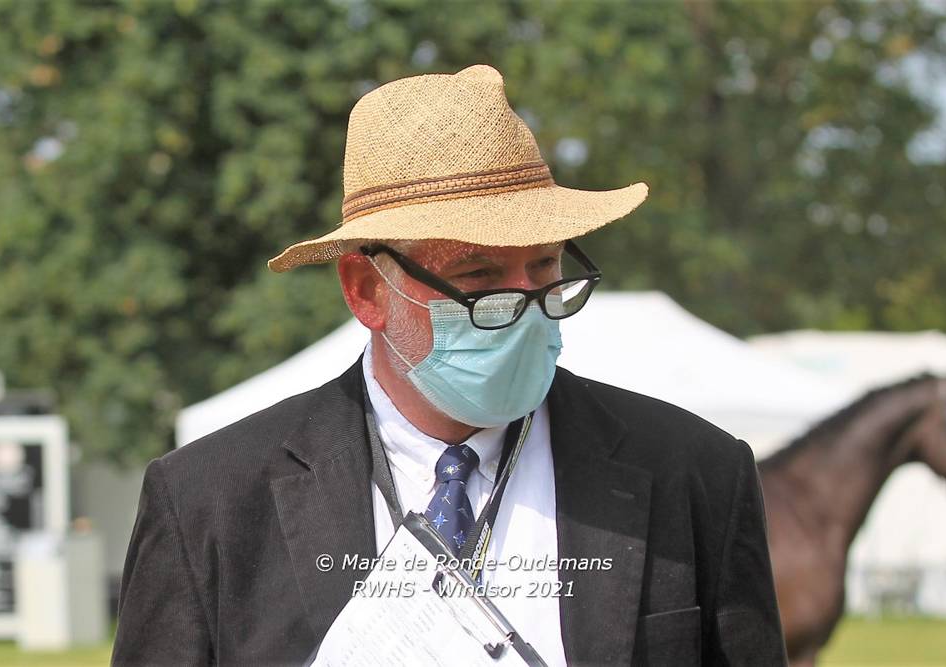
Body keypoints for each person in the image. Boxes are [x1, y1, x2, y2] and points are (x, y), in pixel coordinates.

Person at [112, 64, 787, 666]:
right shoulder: (208, 502)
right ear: (367, 291)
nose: (526, 306)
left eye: (545, 266)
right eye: (479, 275)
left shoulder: (697, 474)